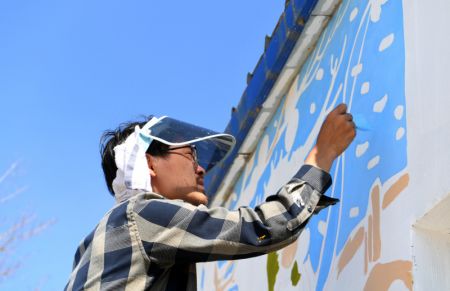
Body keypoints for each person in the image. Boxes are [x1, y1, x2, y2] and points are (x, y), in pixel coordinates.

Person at [65, 104, 355, 291]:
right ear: (149, 164)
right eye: (191, 155)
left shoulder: (99, 244)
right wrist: (322, 154)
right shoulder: (143, 215)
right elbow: (261, 229)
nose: (201, 168)